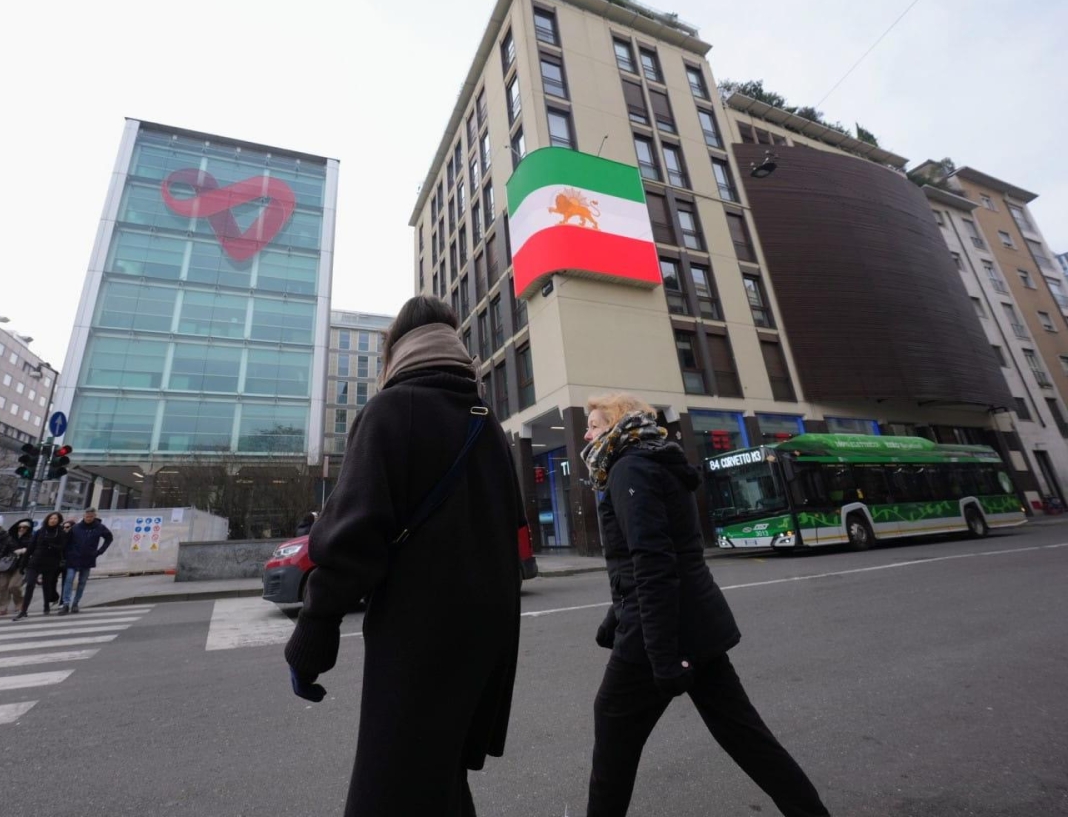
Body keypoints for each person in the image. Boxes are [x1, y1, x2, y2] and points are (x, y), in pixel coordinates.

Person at [284, 295, 523, 817]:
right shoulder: (488, 423)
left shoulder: (390, 410)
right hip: (490, 633)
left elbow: (353, 533)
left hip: (420, 634)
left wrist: (315, 627)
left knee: (388, 789)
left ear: (396, 350)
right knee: (438, 777)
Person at [581, 392, 829, 817]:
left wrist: (660, 655)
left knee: (613, 727)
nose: (586, 433)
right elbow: (662, 554)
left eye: (594, 424)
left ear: (617, 426)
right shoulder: (654, 463)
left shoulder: (629, 469)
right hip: (696, 626)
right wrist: (614, 615)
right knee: (745, 735)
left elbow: (654, 562)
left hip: (659, 630)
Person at [14, 512, 69, 620]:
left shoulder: (61, 533)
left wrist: (50, 545)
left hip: (50, 563)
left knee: (47, 585)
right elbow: (30, 548)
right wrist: (22, 565)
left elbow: (62, 547)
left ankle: (46, 605)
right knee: (30, 584)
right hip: (35, 561)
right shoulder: (40, 532)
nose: (53, 520)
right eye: (51, 518)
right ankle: (23, 610)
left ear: (59, 520)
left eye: (55, 518)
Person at [59, 509, 112, 614]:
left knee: (82, 582)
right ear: (84, 516)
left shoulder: (99, 527)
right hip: (73, 557)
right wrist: (66, 555)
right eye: (87, 516)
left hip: (88, 558)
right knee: (69, 580)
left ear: (94, 516)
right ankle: (66, 603)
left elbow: (109, 538)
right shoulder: (76, 527)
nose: (88, 518)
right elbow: (66, 541)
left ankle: (75, 603)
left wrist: (99, 551)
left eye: (91, 517)